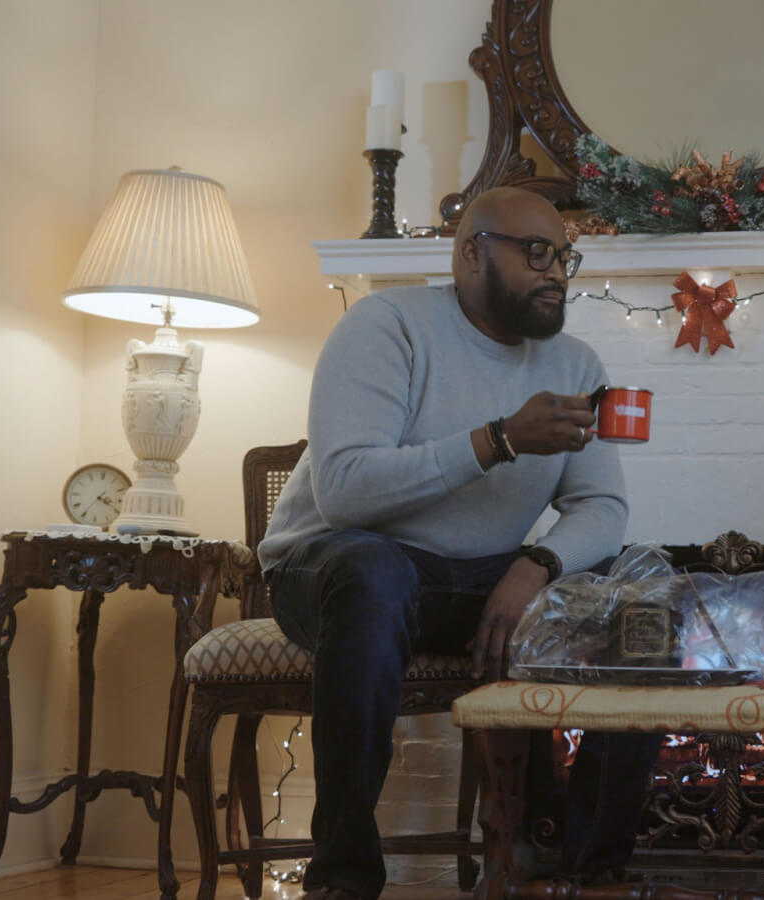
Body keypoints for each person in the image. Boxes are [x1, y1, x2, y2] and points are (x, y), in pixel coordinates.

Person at [258, 187, 659, 900]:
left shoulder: (574, 364)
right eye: (536, 253)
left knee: (640, 593)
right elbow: (345, 492)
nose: (557, 272)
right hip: (333, 564)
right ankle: (342, 877)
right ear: (472, 250)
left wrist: (538, 566)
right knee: (374, 570)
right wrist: (500, 440)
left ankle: (583, 863)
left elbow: (602, 506)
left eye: (565, 256)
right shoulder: (388, 325)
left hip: (477, 579)